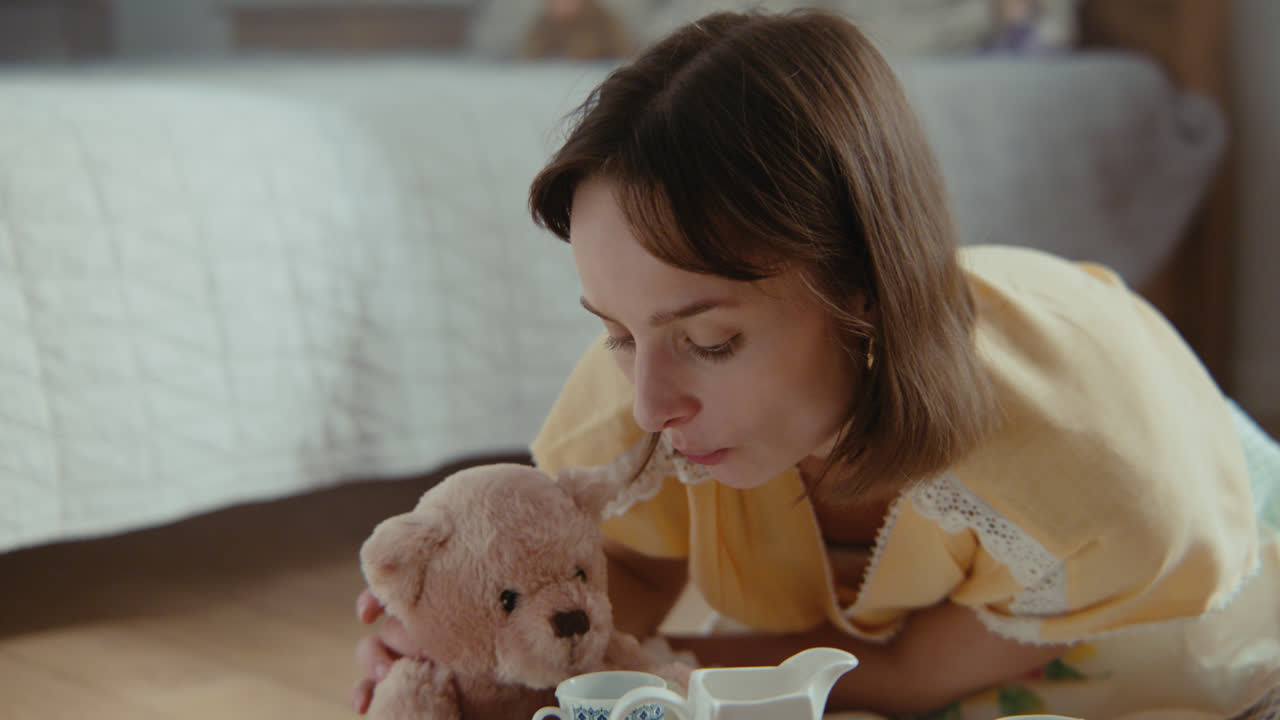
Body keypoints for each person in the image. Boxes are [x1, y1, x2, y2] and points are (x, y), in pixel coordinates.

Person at [353, 9, 1280, 719]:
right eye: (619, 331)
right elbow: (616, 572)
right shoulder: (636, 408)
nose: (648, 405)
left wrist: (639, 672)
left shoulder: (1083, 493)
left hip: (1165, 575)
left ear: (865, 287)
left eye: (711, 342)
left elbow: (912, 677)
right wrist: (480, 644)